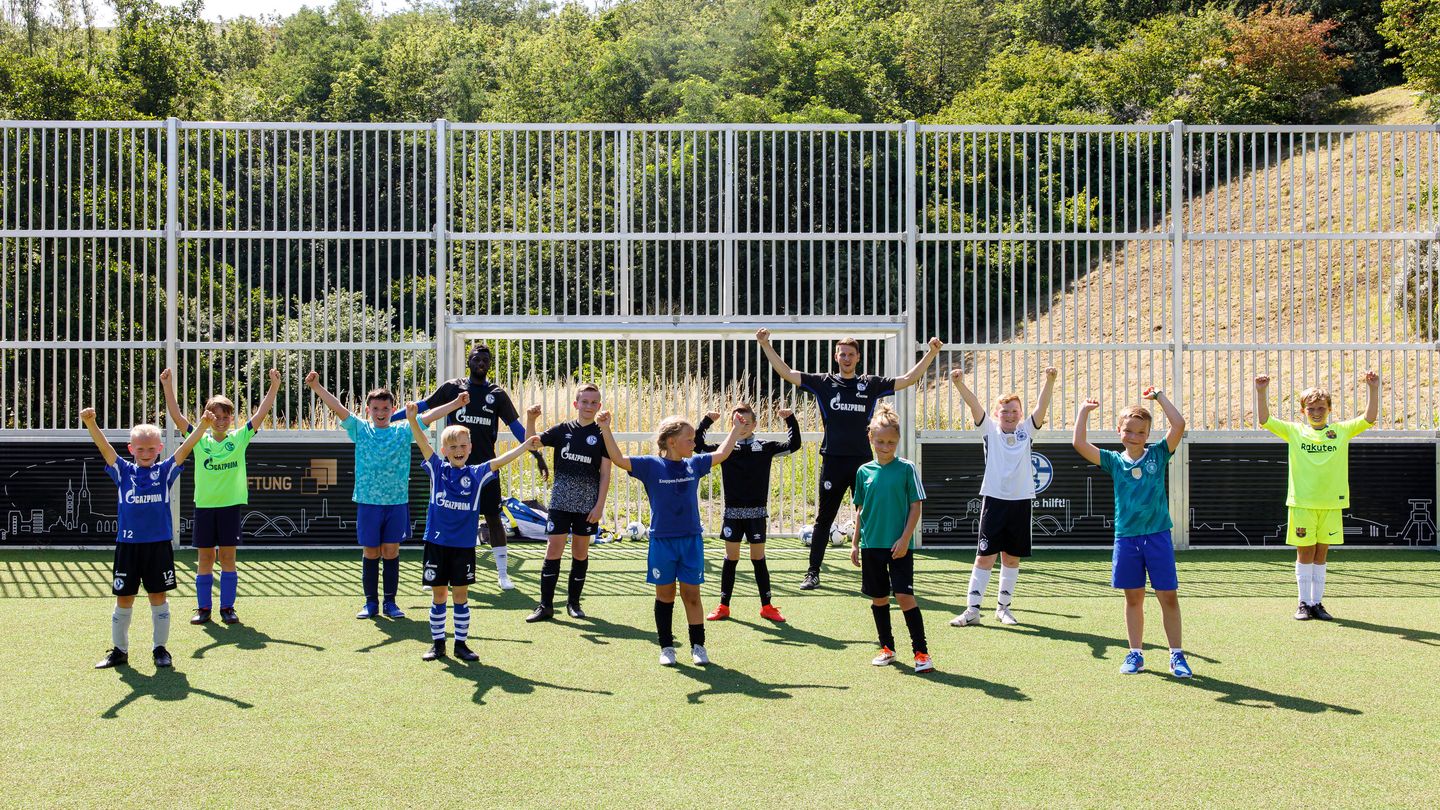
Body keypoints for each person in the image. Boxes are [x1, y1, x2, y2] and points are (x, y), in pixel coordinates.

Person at [755, 329, 943, 590]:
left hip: (865, 464)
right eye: (842, 354)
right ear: (836, 356)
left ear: (857, 358)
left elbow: (908, 379)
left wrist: (932, 353)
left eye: (850, 354)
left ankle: (877, 572)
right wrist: (765, 345)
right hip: (833, 461)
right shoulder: (823, 382)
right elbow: (786, 373)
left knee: (870, 515)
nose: (846, 358)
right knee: (825, 518)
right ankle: (812, 572)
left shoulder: (870, 384)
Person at [305, 372, 468, 620]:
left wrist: (456, 404)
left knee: (391, 551)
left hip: (396, 503)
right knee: (371, 552)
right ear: (368, 410)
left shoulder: (403, 430)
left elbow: (429, 416)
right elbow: (337, 408)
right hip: (368, 503)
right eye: (376, 408)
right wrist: (316, 386)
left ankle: (390, 602)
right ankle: (371, 603)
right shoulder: (360, 429)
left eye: (385, 407)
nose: (381, 412)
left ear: (393, 409)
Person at [595, 410, 741, 666]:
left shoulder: (693, 464)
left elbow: (722, 454)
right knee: (665, 596)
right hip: (662, 541)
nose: (694, 444)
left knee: (692, 595)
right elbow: (617, 459)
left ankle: (698, 646)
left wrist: (737, 430)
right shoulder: (651, 465)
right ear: (672, 441)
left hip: (691, 540)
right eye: (689, 439)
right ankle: (666, 647)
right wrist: (605, 427)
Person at [401, 343, 547, 590]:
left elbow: (517, 429)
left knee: (492, 517)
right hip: (452, 470)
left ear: (489, 364)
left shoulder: (497, 394)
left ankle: (502, 574)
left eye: (485, 360)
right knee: (444, 517)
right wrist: (392, 419)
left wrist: (537, 455)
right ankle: (435, 574)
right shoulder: (452, 388)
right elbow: (423, 407)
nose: (481, 363)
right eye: (477, 359)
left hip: (484, 470)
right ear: (469, 361)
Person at [406, 403, 541, 662]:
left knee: (460, 596)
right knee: (439, 596)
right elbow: (423, 443)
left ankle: (461, 644)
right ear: (444, 450)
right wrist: (413, 420)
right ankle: (437, 645)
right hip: (437, 545)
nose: (458, 451)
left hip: (463, 546)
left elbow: (501, 460)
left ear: (470, 448)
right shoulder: (437, 468)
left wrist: (524, 446)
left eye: (463, 446)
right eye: (453, 447)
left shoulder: (477, 473)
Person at [1072, 388, 1192, 677]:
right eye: (1128, 430)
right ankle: (1135, 654)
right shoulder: (1114, 461)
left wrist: (1160, 397)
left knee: (1168, 597)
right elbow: (1079, 443)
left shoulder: (1160, 454)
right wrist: (1084, 411)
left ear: (1148, 435)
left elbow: (1179, 425)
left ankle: (1176, 655)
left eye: (1140, 432)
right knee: (1133, 598)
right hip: (1126, 539)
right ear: (1119, 431)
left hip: (1158, 536)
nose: (1134, 436)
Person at [84, 406, 211, 669]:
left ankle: (160, 650)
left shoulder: (164, 471)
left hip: (158, 546)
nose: (145, 454)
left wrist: (202, 426)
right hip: (128, 547)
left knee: (158, 597)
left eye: (151, 449)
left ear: (160, 448)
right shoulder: (123, 471)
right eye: (140, 449)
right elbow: (106, 449)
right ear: (131, 449)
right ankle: (119, 651)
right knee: (124, 599)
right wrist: (91, 423)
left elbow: (185, 449)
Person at [1255, 372, 1381, 621]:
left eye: (1321, 408)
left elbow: (1369, 418)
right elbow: (1265, 419)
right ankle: (1302, 603)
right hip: (1302, 503)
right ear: (1303, 411)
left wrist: (1373, 389)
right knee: (1305, 554)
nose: (1316, 412)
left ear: (1329, 409)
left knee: (1321, 554)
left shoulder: (1340, 431)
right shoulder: (1294, 431)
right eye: (1311, 408)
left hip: (1332, 504)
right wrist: (1261, 392)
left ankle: (1317, 603)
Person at [161, 367, 281, 626]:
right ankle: (204, 609)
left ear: (230, 418)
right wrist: (167, 386)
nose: (220, 420)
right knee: (205, 559)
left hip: (229, 508)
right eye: (215, 416)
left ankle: (227, 608)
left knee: (227, 558)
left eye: (225, 416)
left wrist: (273, 385)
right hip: (204, 507)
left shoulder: (239, 438)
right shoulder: (199, 439)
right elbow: (177, 415)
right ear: (207, 416)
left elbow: (261, 413)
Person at [949, 366, 1058, 627]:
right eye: (1004, 411)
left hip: (1020, 502)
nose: (1009, 415)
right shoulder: (989, 429)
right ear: (997, 414)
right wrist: (959, 384)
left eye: (1014, 411)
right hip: (994, 501)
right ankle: (972, 610)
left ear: (1021, 414)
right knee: (984, 557)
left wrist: (1050, 380)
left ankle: (1003, 609)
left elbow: (1042, 407)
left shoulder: (1027, 431)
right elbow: (974, 404)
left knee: (1011, 557)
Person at [694, 404, 801, 623]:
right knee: (731, 559)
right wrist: (706, 421)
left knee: (758, 558)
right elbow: (697, 446)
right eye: (737, 421)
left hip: (757, 514)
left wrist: (790, 420)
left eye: (745, 421)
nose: (741, 425)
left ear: (754, 424)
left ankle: (767, 606)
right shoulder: (724, 449)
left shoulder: (765, 447)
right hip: (733, 513)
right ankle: (723, 606)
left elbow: (794, 445)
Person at [850, 403, 933, 673]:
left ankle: (921, 653)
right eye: (881, 441)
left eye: (891, 442)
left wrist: (905, 538)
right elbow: (860, 509)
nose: (886, 446)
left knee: (904, 596)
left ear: (897, 441)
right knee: (879, 598)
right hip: (871, 545)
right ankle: (887, 648)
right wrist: (854, 543)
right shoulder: (864, 472)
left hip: (899, 546)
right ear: (871, 439)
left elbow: (915, 506)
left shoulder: (907, 469)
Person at [523, 384, 611, 622]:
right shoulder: (563, 430)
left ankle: (574, 603)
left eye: (594, 403)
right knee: (553, 550)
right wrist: (531, 419)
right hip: (560, 502)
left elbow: (605, 473)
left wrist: (599, 506)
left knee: (580, 553)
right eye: (584, 402)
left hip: (586, 505)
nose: (588, 406)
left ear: (599, 406)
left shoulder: (603, 434)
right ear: (576, 404)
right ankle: (545, 606)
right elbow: (531, 443)